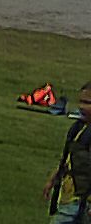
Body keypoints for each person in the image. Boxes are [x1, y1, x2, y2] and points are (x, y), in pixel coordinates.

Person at [46, 83, 91, 223]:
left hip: (84, 201)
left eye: (87, 103)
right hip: (70, 197)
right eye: (81, 102)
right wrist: (53, 179)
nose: (81, 107)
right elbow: (68, 159)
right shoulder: (78, 128)